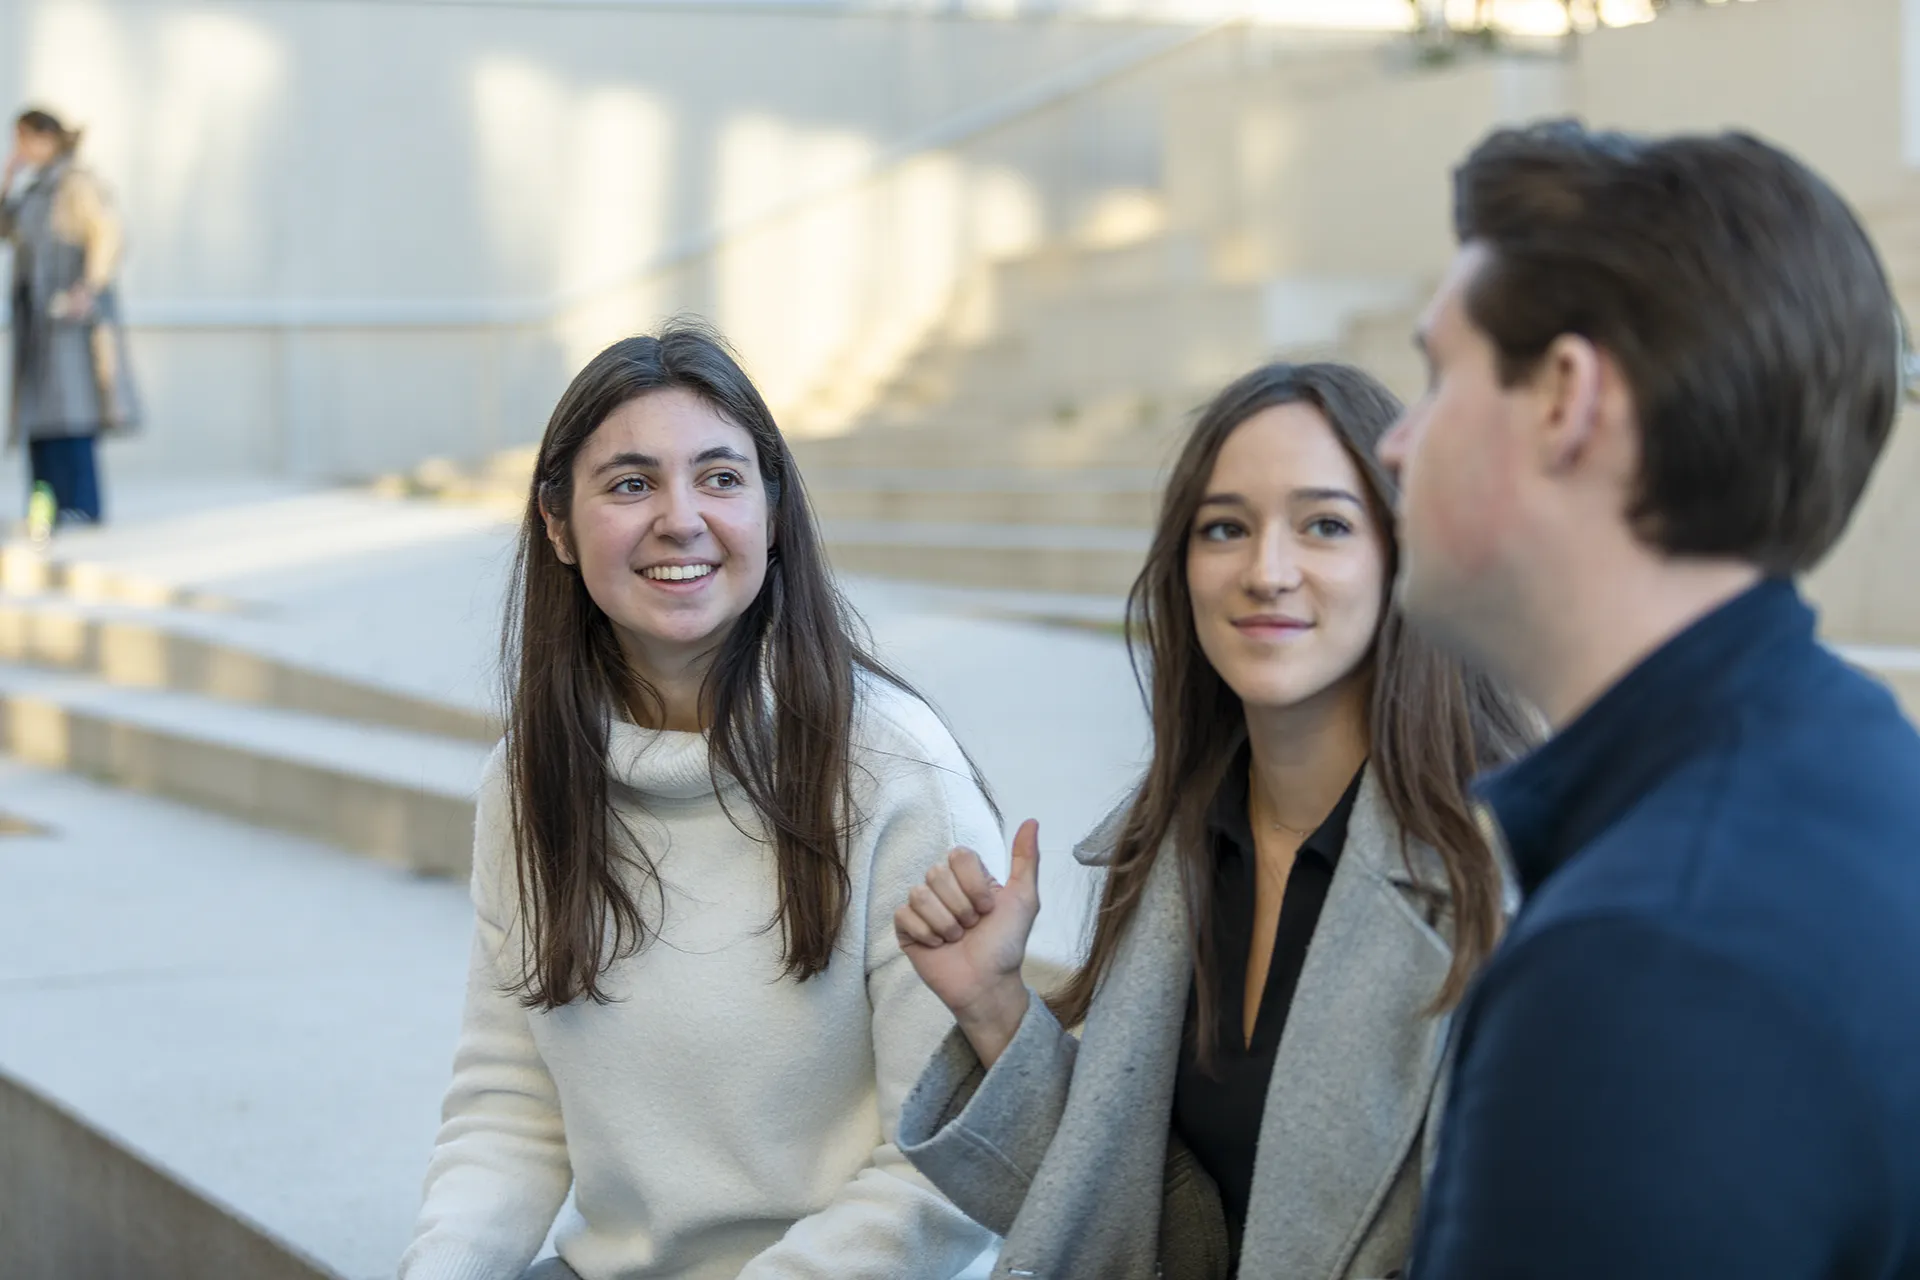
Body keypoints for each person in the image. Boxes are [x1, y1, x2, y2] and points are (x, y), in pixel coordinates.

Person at [1378, 121, 1920, 1277]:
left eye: (1436, 377)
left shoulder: (1645, 972)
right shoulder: (1851, 758)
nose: (1394, 442)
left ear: (1566, 397)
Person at [891, 362, 1536, 1280]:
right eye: (1226, 528)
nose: (1267, 573)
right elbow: (1156, 1222)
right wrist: (995, 1006)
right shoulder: (1168, 849)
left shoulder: (1493, 879)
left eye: (1325, 526)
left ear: (1402, 558)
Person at [399, 325, 996, 1280]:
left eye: (719, 478)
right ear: (556, 524)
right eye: (631, 484)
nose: (680, 518)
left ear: (770, 513)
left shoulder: (895, 771)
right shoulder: (529, 779)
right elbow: (511, 1105)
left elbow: (950, 1168)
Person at [1, 107, 139, 532]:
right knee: (38, 417)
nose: (21, 149)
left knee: (73, 413)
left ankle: (82, 506)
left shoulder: (76, 182)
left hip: (69, 318)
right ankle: (46, 510)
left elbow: (108, 233)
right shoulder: (32, 189)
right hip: (35, 321)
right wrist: (9, 174)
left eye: (24, 140)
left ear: (46, 137)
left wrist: (88, 289)